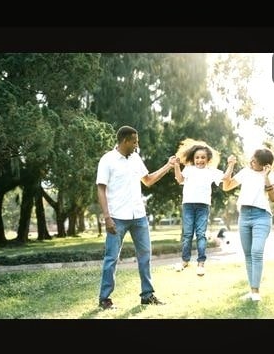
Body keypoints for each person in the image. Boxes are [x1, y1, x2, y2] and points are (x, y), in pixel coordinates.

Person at [96, 125, 176, 309]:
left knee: (145, 256)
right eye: (134, 141)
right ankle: (105, 299)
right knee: (111, 258)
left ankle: (147, 295)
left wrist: (168, 166)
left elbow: (147, 180)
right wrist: (107, 217)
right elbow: (101, 188)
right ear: (125, 141)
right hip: (117, 217)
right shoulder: (107, 160)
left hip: (139, 216)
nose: (136, 145)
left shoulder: (135, 158)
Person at [221, 148, 274, 302]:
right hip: (245, 216)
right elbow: (226, 187)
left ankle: (256, 292)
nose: (251, 162)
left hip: (262, 216)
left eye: (255, 162)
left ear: (265, 165)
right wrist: (231, 165)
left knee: (257, 251)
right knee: (248, 255)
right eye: (252, 159)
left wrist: (266, 177)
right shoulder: (245, 172)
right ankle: (252, 291)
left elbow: (273, 198)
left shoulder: (271, 175)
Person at [171, 139, 225, 276]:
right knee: (188, 234)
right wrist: (176, 166)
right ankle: (184, 261)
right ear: (193, 158)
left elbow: (225, 178)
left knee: (201, 234)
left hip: (203, 206)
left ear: (207, 159)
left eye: (202, 158)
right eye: (197, 157)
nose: (199, 160)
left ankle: (201, 263)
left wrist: (230, 165)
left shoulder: (211, 171)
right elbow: (179, 180)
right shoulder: (188, 169)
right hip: (188, 205)